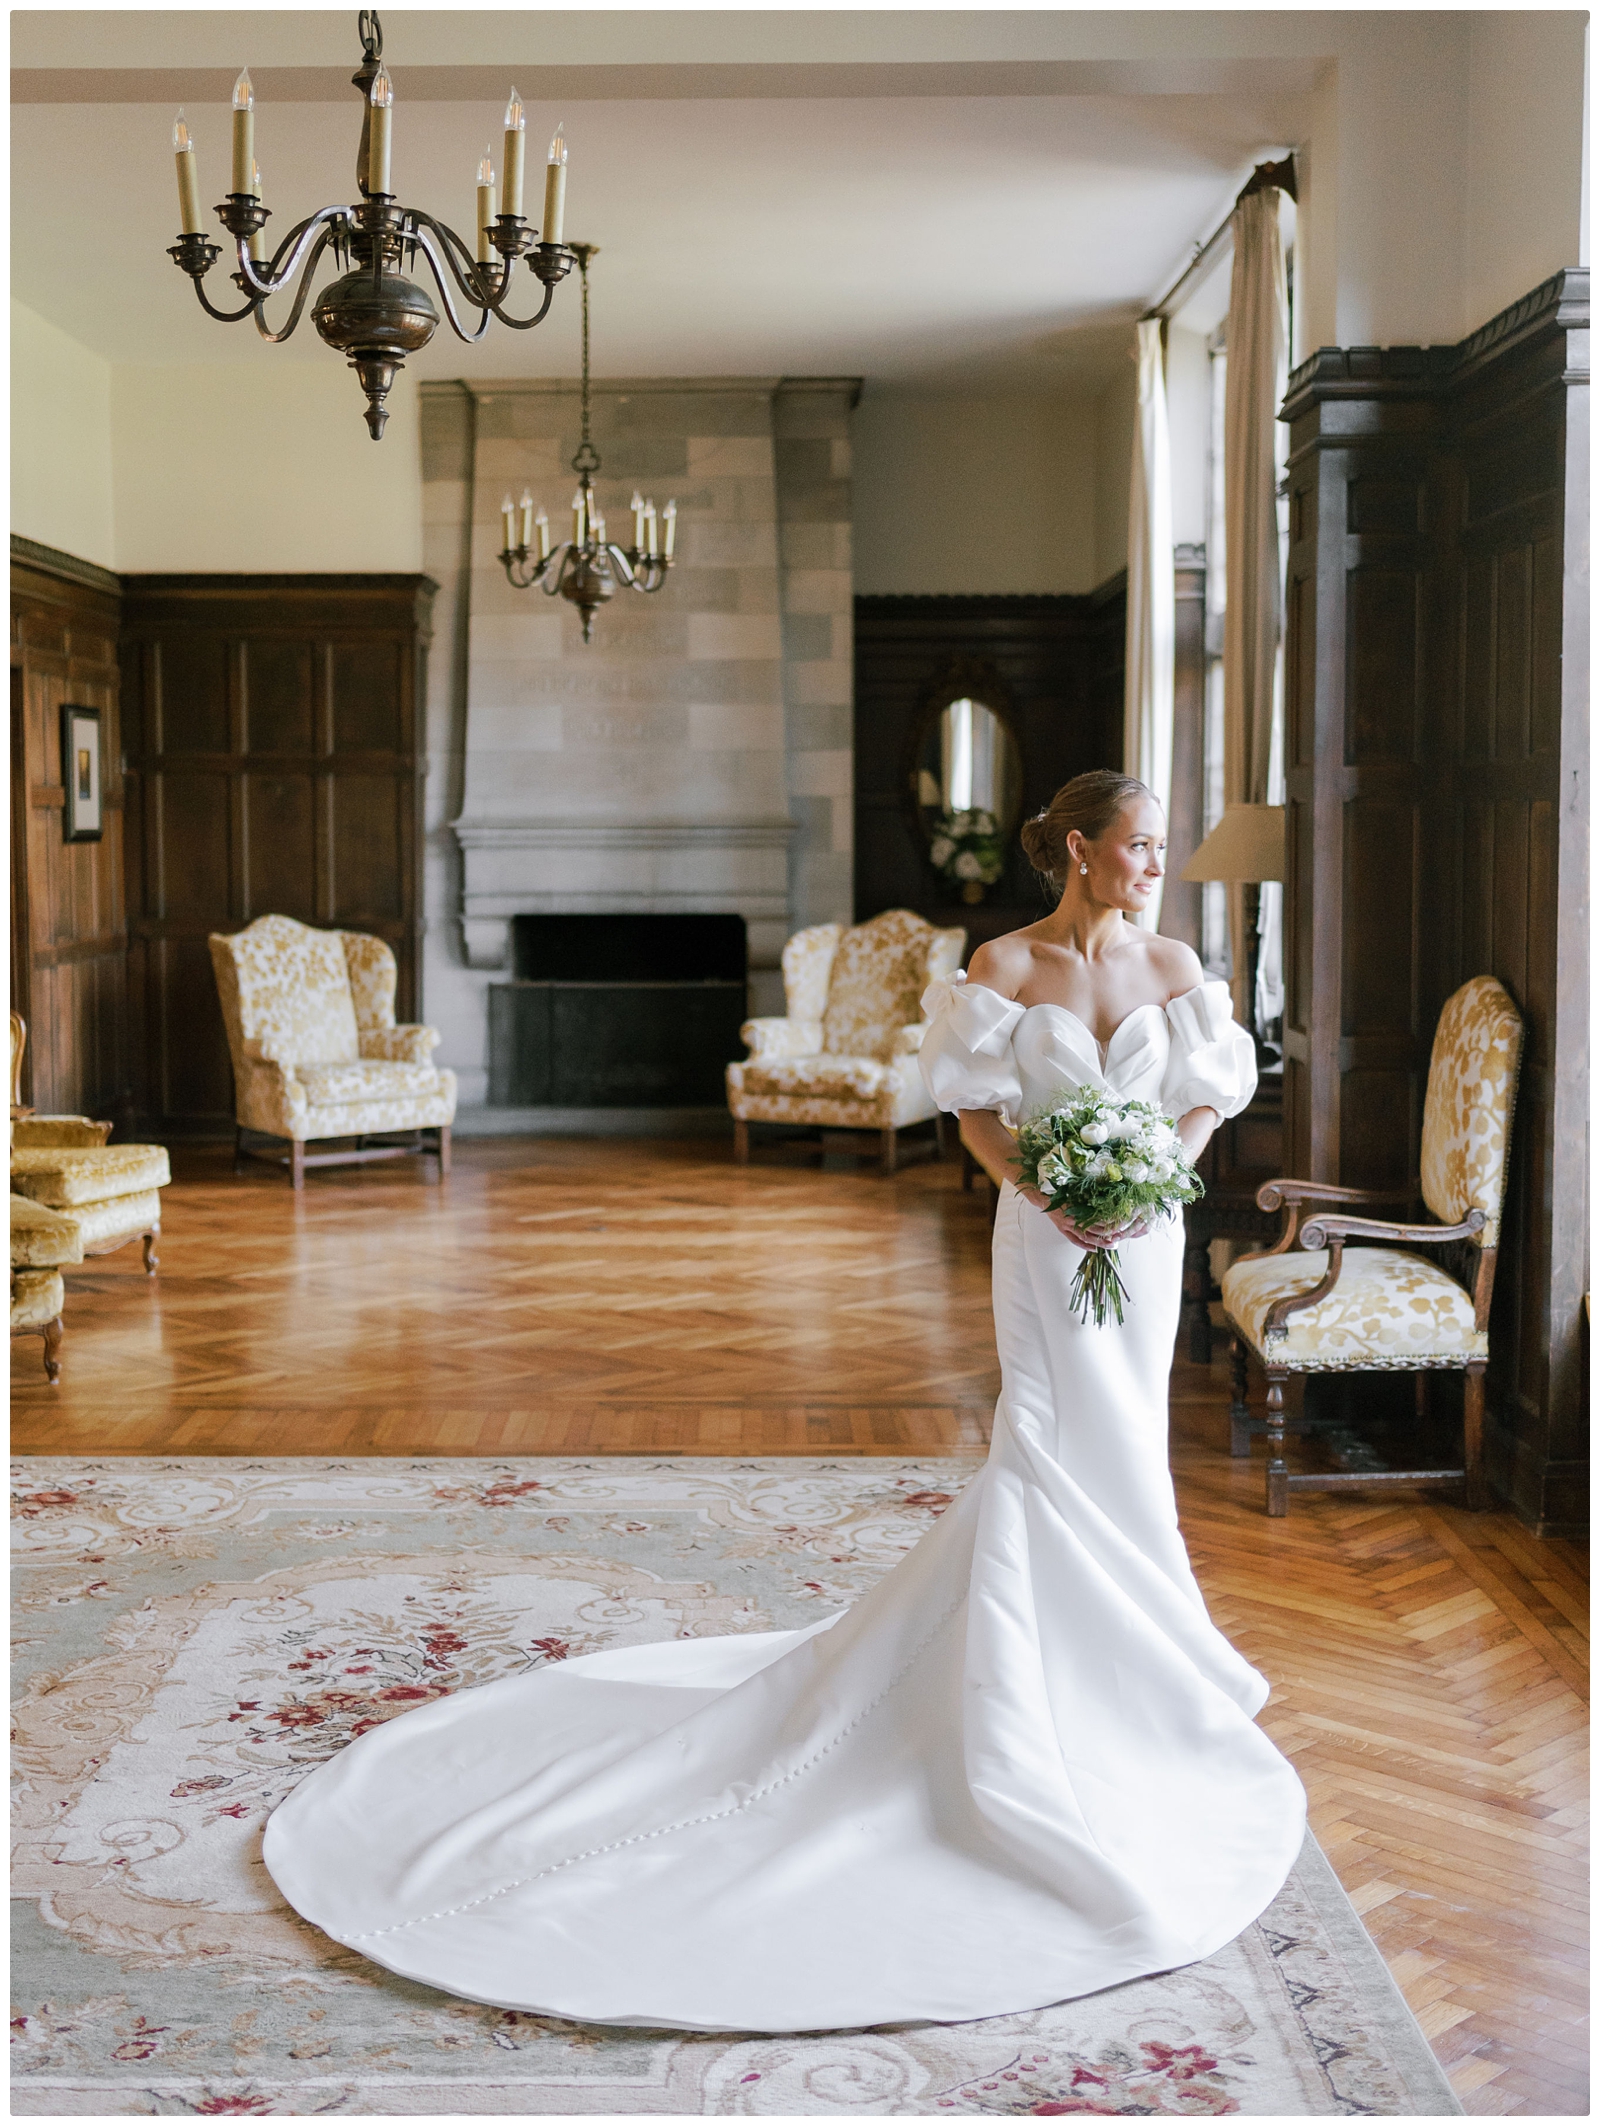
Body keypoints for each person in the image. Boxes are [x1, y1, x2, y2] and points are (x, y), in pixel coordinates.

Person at [263, 770, 1305, 2033]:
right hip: (1041, 1236)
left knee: (1125, 1443)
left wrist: (1153, 1177)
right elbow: (970, 1106)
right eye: (1137, 846)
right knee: (1041, 1436)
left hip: (1139, 1238)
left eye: (1160, 849)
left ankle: (1142, 1676)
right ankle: (1020, 1692)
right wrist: (1038, 1192)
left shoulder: (1181, 961)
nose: (1156, 864)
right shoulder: (1003, 961)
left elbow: (1206, 1093)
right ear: (1078, 849)